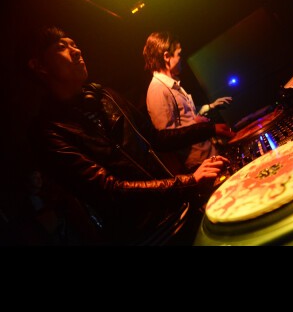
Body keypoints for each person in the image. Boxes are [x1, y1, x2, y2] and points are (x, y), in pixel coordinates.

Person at [20, 26, 229, 245]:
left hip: (180, 210)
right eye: (61, 47)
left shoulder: (106, 97)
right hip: (145, 237)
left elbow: (156, 139)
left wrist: (209, 129)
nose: (76, 51)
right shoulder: (48, 131)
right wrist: (189, 182)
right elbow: (108, 189)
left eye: (74, 44)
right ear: (39, 66)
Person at [143, 31, 234, 173]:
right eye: (179, 54)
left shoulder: (172, 85)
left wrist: (210, 107)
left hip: (208, 159)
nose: (182, 58)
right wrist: (207, 128)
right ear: (166, 56)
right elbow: (168, 139)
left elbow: (186, 116)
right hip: (198, 167)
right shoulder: (158, 90)